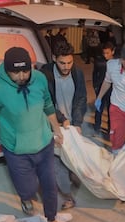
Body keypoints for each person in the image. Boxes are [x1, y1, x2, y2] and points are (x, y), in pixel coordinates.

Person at [0, 47, 67, 222]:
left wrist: (56, 129)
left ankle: (52, 218)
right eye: (15, 72)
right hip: (16, 150)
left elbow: (47, 104)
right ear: (6, 69)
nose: (21, 76)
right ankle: (25, 197)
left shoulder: (39, 79)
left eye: (25, 70)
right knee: (28, 188)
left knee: (50, 185)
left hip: (44, 143)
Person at [40, 41, 87, 210]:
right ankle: (68, 197)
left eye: (70, 62)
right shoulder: (44, 75)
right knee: (57, 165)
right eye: (62, 63)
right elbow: (45, 102)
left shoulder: (78, 73)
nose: (66, 67)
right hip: (53, 126)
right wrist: (61, 119)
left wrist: (77, 122)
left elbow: (81, 98)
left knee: (74, 160)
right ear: (54, 58)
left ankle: (74, 178)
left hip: (72, 126)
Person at [92, 41, 116, 136]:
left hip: (113, 91)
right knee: (99, 110)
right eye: (104, 53)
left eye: (107, 53)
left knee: (111, 111)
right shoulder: (99, 62)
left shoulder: (117, 63)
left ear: (113, 52)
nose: (105, 55)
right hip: (101, 90)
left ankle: (110, 130)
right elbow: (94, 74)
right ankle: (96, 128)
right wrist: (95, 87)